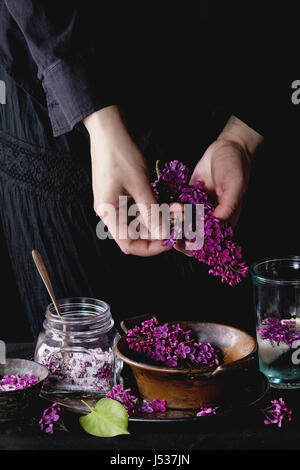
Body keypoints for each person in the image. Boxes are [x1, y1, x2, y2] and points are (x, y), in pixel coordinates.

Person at [0, 1, 263, 339]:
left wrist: (241, 137)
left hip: (229, 81)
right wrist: (100, 121)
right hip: (58, 74)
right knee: (82, 359)